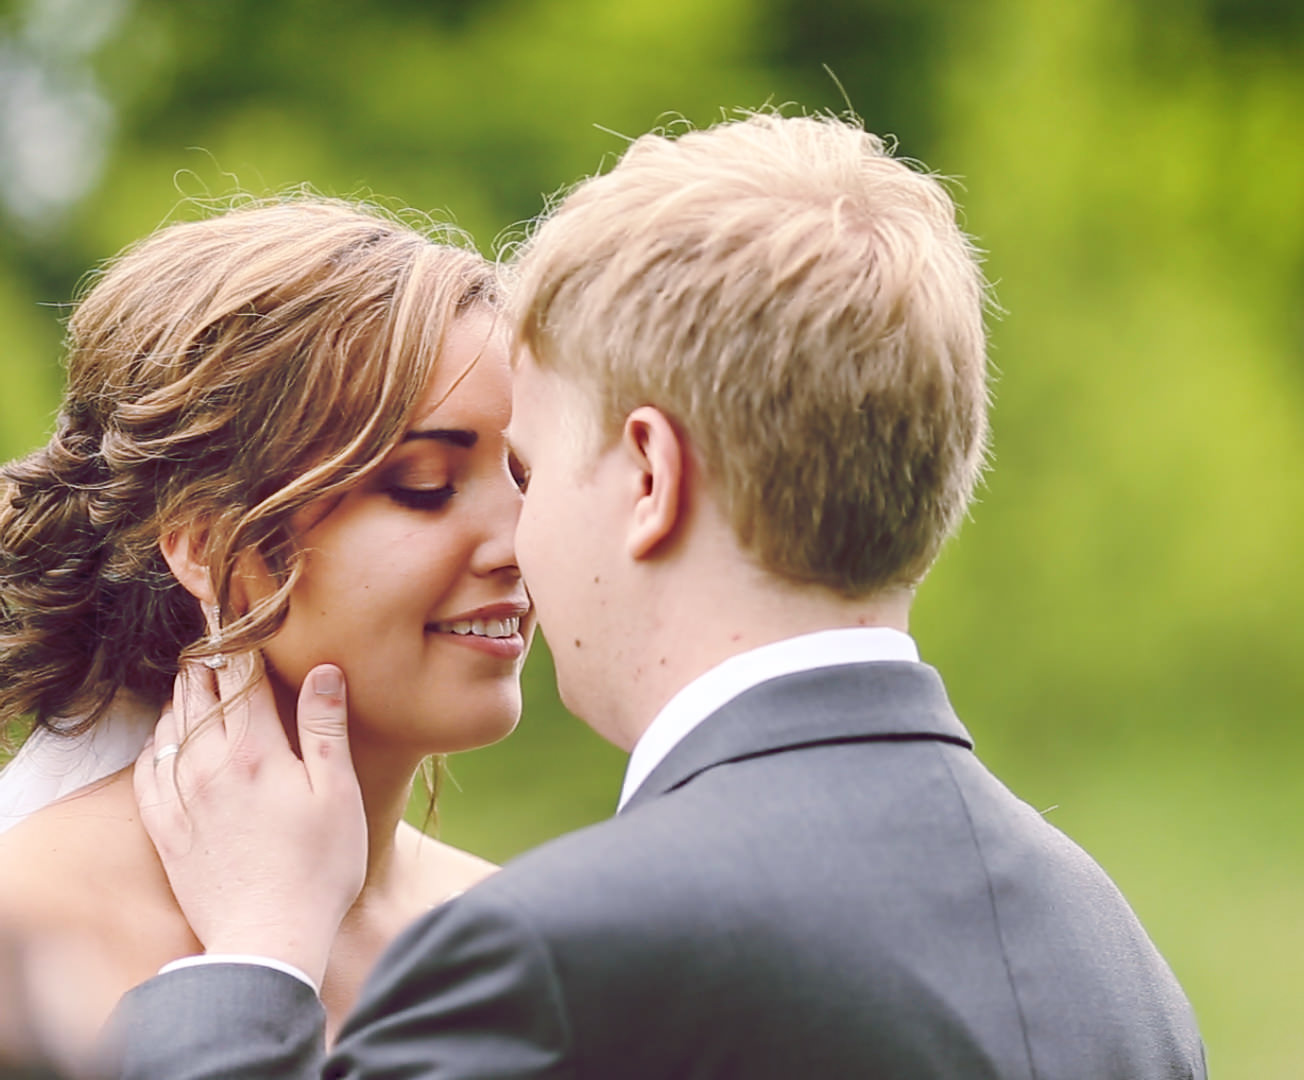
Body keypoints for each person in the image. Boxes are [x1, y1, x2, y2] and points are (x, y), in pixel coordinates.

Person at [114, 113, 1208, 1078]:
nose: (515, 538)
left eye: (533, 469)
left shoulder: (558, 965)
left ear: (650, 476)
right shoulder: (1115, 959)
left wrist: (252, 959)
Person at [0, 198, 530, 1050]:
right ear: (207, 544)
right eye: (424, 485)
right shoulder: (27, 939)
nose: (520, 545)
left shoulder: (517, 935)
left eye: (529, 478)